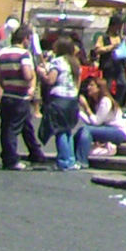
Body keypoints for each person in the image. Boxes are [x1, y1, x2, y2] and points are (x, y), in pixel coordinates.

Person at [0, 25, 44, 169]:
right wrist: (33, 76)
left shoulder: (1, 53)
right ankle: (10, 159)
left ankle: (35, 153)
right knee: (13, 128)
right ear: (25, 38)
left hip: (7, 94)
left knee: (20, 126)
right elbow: (27, 74)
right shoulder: (24, 54)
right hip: (20, 96)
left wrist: (1, 88)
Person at [38, 35, 85, 170]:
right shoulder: (75, 63)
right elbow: (78, 83)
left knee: (59, 130)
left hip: (59, 99)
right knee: (68, 130)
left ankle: (64, 160)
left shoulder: (57, 62)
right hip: (72, 99)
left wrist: (41, 73)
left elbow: (50, 80)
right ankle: (71, 159)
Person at [75, 75, 126, 159]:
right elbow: (91, 122)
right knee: (82, 130)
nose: (88, 87)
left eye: (92, 85)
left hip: (120, 132)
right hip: (109, 129)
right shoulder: (97, 103)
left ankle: (82, 160)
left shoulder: (105, 101)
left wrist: (86, 107)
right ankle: (74, 157)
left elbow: (96, 122)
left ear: (99, 88)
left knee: (86, 130)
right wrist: (78, 112)